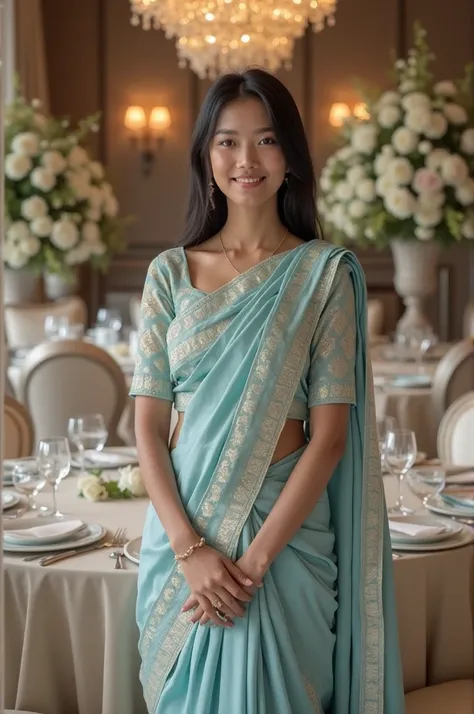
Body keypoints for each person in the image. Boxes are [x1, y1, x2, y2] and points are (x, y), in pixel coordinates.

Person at [130, 68, 405, 714]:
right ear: (205, 155)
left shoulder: (324, 274)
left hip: (283, 547)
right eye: (227, 142)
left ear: (292, 159)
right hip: (183, 537)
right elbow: (145, 427)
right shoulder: (169, 274)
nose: (245, 160)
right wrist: (191, 552)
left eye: (266, 141)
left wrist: (249, 569)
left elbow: (330, 438)